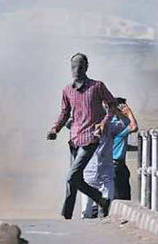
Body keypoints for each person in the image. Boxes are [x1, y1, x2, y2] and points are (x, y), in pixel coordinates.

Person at [47, 53, 117, 219]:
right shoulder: (67, 90)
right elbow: (64, 112)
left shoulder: (97, 86)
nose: (76, 70)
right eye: (73, 66)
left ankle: (73, 211)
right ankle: (74, 213)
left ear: (86, 67)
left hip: (90, 138)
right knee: (73, 179)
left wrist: (103, 123)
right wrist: (55, 129)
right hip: (74, 139)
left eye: (80, 66)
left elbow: (112, 105)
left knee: (72, 176)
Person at [111, 98, 138, 200]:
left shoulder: (112, 123)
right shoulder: (117, 124)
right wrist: (129, 113)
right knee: (121, 198)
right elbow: (134, 127)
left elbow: (119, 144)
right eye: (123, 107)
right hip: (116, 166)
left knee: (120, 196)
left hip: (116, 165)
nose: (125, 109)